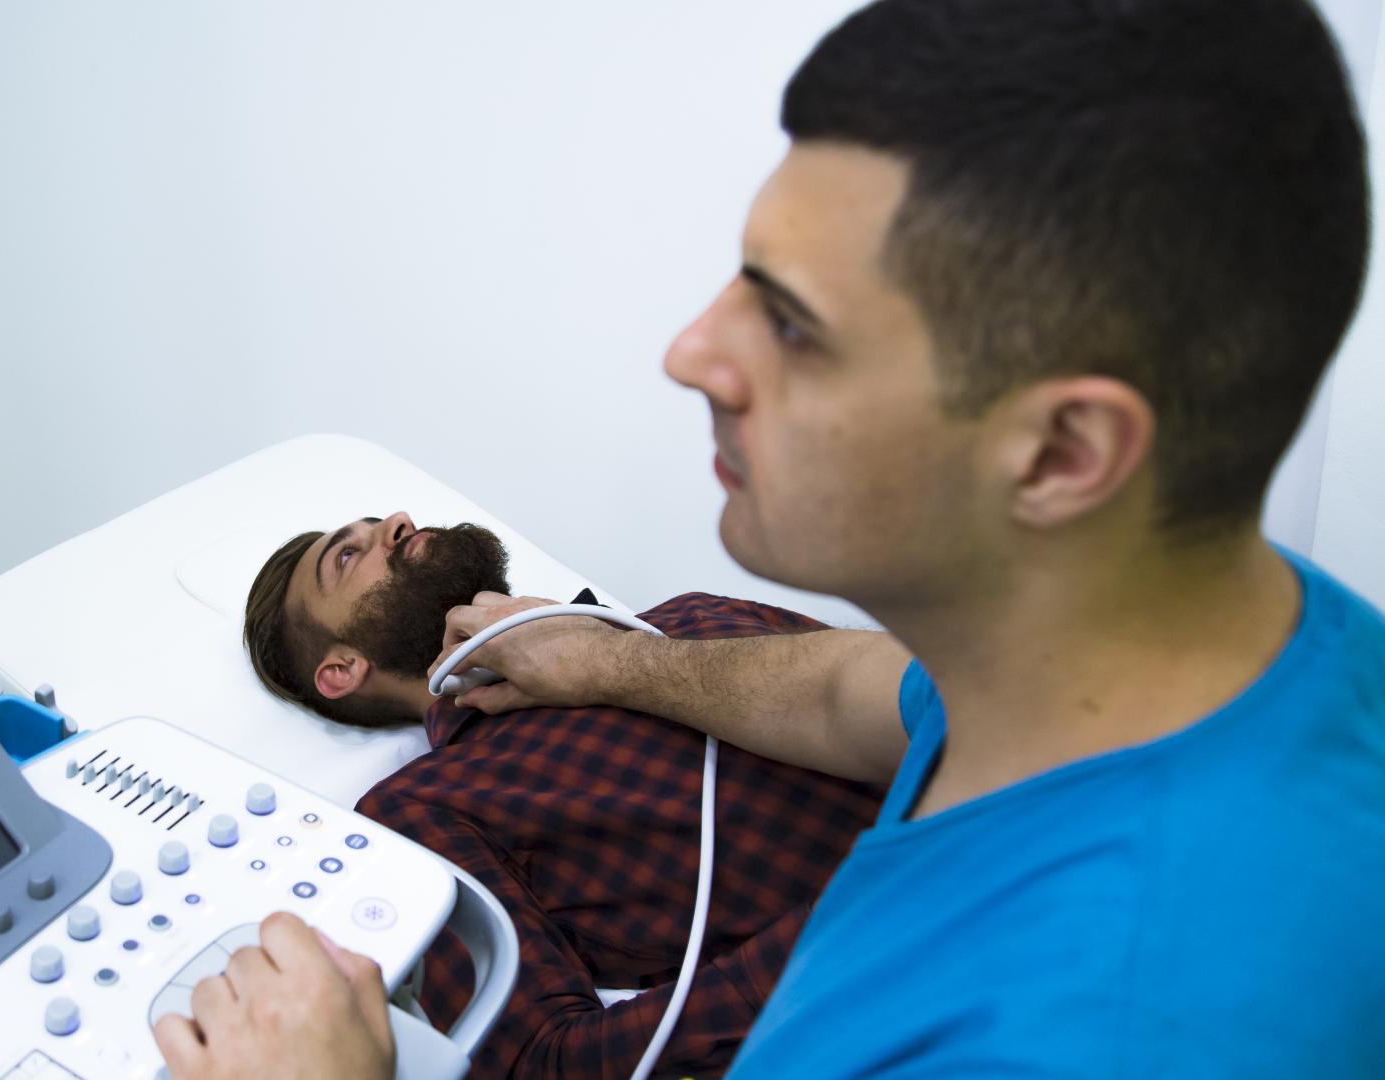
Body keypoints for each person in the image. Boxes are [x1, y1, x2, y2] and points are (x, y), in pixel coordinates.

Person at [154, 0, 1385, 1075]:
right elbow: (873, 693)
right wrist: (616, 661)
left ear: (1060, 455)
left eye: (790, 323)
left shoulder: (1040, 1026)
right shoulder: (1250, 662)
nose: (689, 352)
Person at [228, 513, 879, 1077]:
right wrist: (873, 930)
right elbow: (545, 1063)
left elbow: (930, 700)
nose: (396, 521)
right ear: (342, 671)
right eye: (348, 556)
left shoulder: (687, 616)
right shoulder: (416, 816)